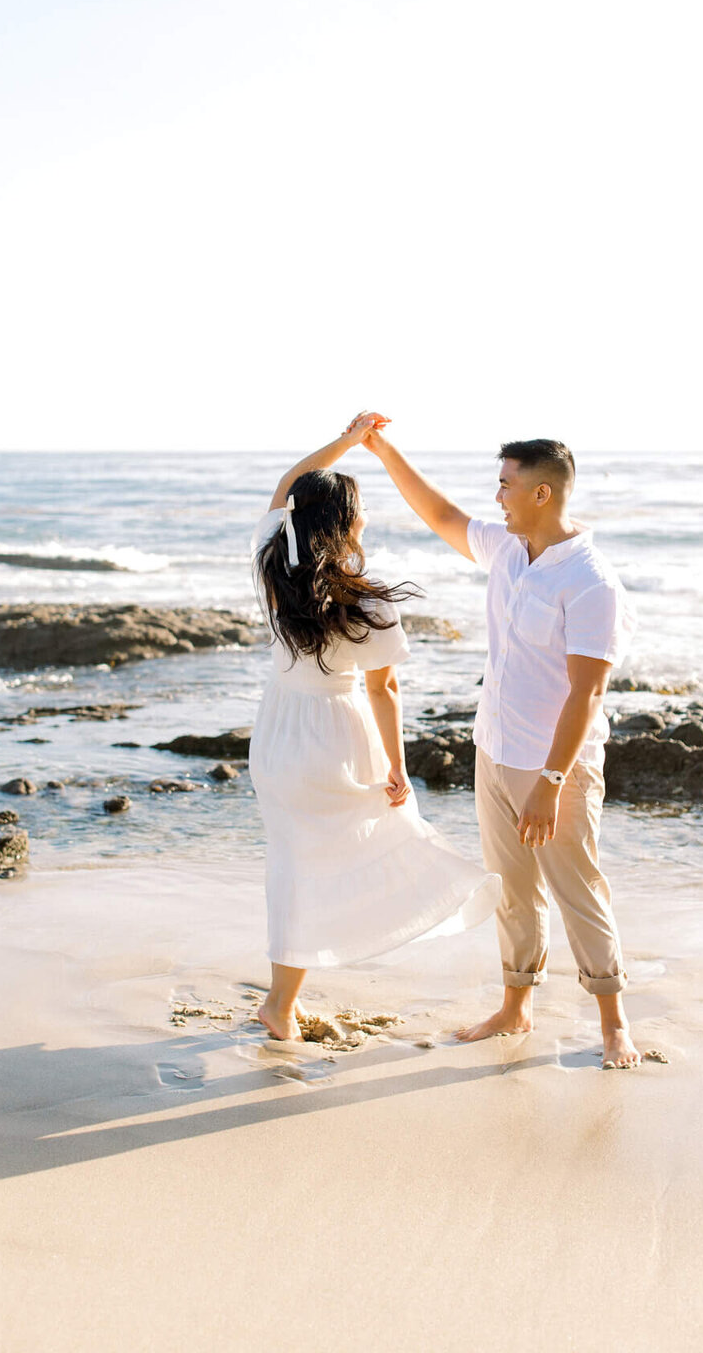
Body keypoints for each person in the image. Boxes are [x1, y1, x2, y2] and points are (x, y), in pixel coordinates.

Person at [349, 413, 642, 1068]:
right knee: (512, 889)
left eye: (506, 484)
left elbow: (586, 694)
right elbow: (441, 514)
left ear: (542, 492)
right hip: (495, 750)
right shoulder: (508, 549)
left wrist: (552, 782)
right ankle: (516, 1007)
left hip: (556, 769)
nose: (497, 496)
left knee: (579, 890)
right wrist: (381, 449)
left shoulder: (591, 582)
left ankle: (614, 1023)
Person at [248, 419, 501, 1042]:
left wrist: (345, 441)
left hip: (276, 734)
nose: (366, 518)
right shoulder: (369, 599)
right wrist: (398, 765)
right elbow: (383, 690)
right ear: (344, 524)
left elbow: (287, 485)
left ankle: (283, 997)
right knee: (361, 851)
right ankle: (280, 1002)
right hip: (336, 734)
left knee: (292, 863)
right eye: (359, 509)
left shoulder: (272, 564)